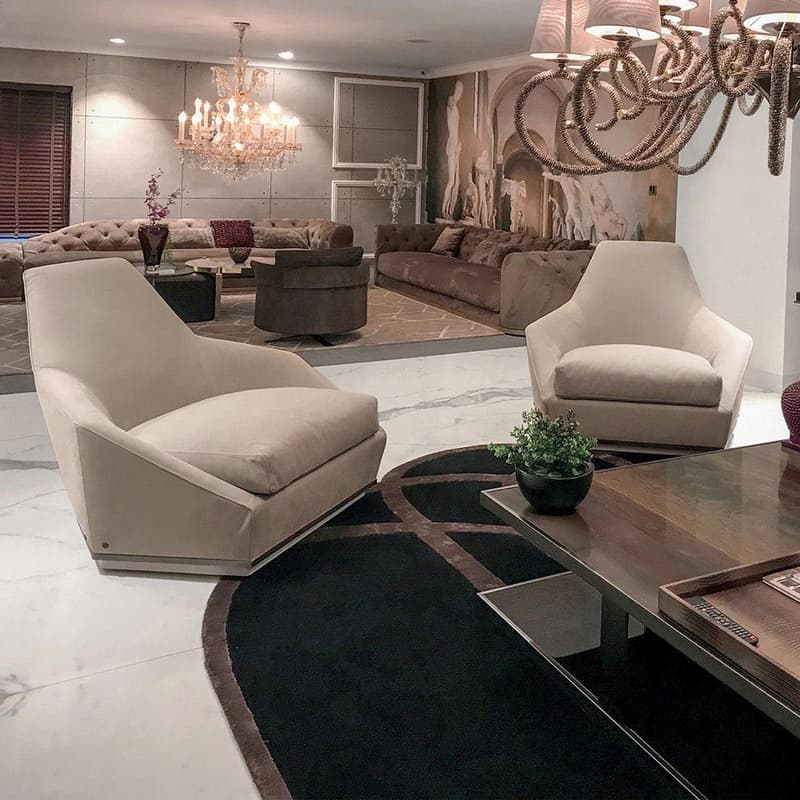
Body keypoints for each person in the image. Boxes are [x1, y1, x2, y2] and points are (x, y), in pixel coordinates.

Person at [441, 80, 464, 220]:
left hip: (456, 145)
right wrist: (453, 144)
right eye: (459, 90)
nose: (460, 93)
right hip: (452, 145)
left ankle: (450, 211)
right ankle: (444, 210)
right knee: (451, 180)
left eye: (461, 91)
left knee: (457, 182)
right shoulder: (451, 102)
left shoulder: (456, 106)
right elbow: (452, 129)